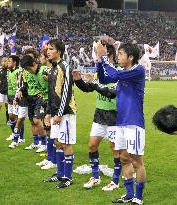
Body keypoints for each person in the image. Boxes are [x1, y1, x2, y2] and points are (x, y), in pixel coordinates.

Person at [96, 42, 146, 205]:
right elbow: (104, 78)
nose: (118, 57)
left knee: (137, 161)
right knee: (124, 158)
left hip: (134, 122)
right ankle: (129, 194)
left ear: (130, 57)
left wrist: (104, 57)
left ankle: (138, 197)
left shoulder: (137, 70)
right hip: (120, 122)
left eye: (121, 54)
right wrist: (98, 62)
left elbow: (115, 75)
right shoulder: (123, 73)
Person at [73, 44, 122, 191]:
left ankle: (115, 180)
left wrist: (94, 83)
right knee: (92, 145)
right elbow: (89, 88)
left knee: (115, 149)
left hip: (115, 116)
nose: (98, 55)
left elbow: (110, 92)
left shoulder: (119, 73)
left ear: (110, 55)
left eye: (103, 53)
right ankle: (95, 177)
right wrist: (78, 80)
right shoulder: (100, 72)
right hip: (100, 114)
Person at [43, 39, 76, 188]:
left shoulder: (65, 67)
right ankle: (60, 174)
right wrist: (49, 112)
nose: (48, 51)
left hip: (66, 112)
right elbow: (51, 94)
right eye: (47, 49)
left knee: (65, 143)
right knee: (56, 142)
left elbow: (67, 92)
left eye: (51, 49)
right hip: (55, 112)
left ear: (59, 52)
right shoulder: (53, 68)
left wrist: (59, 113)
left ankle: (68, 178)